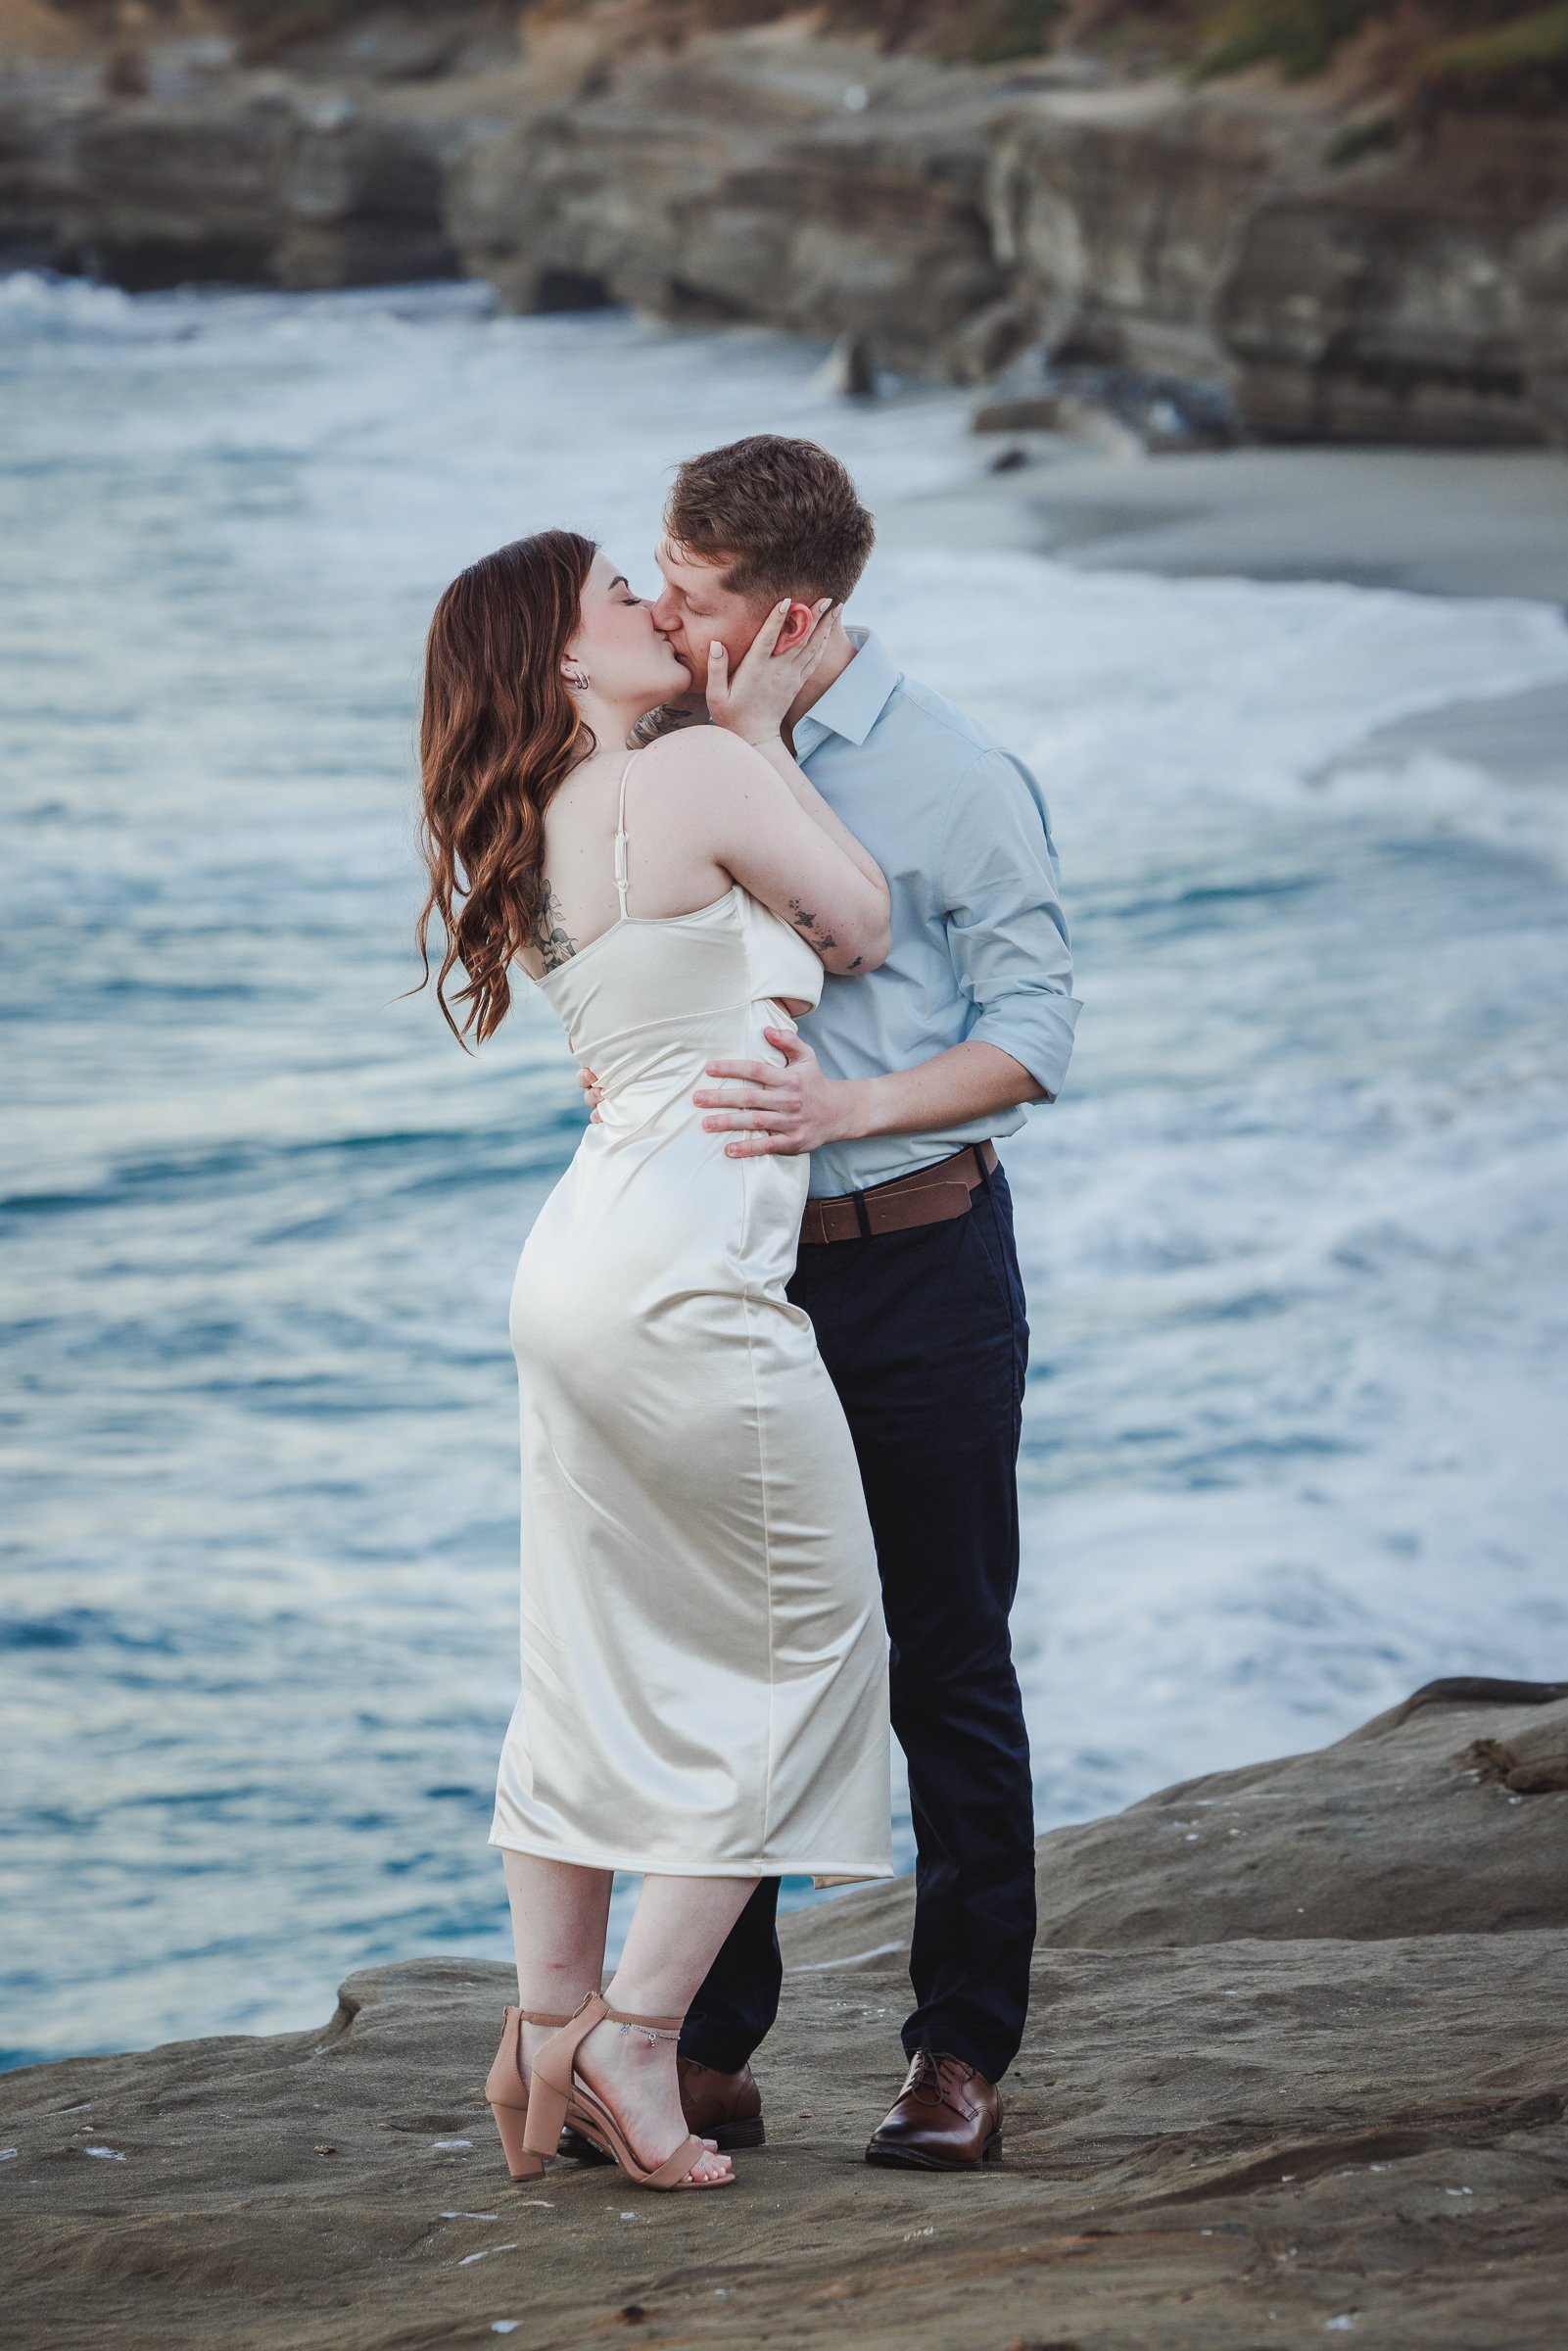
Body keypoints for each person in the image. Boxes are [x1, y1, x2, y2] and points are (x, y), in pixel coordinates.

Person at [584, 434, 1081, 2171]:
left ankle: (957, 2058)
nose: (656, 608)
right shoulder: (666, 748)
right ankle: (703, 2056)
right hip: (726, 1280)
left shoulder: (953, 776)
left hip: (919, 1262)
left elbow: (1035, 1034)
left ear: (788, 612)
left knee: (942, 1660)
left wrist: (848, 1110)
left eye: (692, 592)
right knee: (732, 1666)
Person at [415, 531, 897, 2193]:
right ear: (563, 661)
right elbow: (858, 922)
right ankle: (635, 2033)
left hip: (573, 1269)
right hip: (686, 1281)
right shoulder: (696, 768)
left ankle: (546, 2028)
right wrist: (758, 736)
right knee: (813, 1650)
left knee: (589, 1654)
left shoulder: (522, 823)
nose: (653, 612)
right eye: (619, 597)